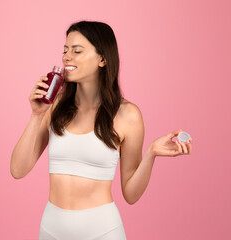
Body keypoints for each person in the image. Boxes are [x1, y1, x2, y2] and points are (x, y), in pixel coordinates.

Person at [10, 20, 193, 240]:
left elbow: (131, 194)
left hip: (101, 231)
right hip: (51, 230)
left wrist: (151, 153)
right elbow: (18, 170)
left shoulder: (128, 115)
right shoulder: (55, 106)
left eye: (77, 51)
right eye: (65, 50)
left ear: (103, 59)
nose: (67, 56)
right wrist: (36, 115)